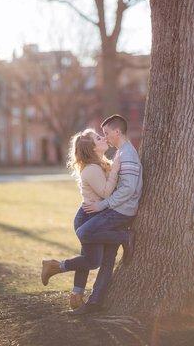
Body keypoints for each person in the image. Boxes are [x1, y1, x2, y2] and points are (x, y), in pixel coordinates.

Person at [41, 128, 121, 309]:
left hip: (93, 215)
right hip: (88, 218)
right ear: (92, 148)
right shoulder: (92, 169)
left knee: (87, 258)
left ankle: (76, 296)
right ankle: (54, 266)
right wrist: (116, 168)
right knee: (93, 261)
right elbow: (106, 192)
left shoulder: (99, 163)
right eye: (98, 138)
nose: (103, 138)